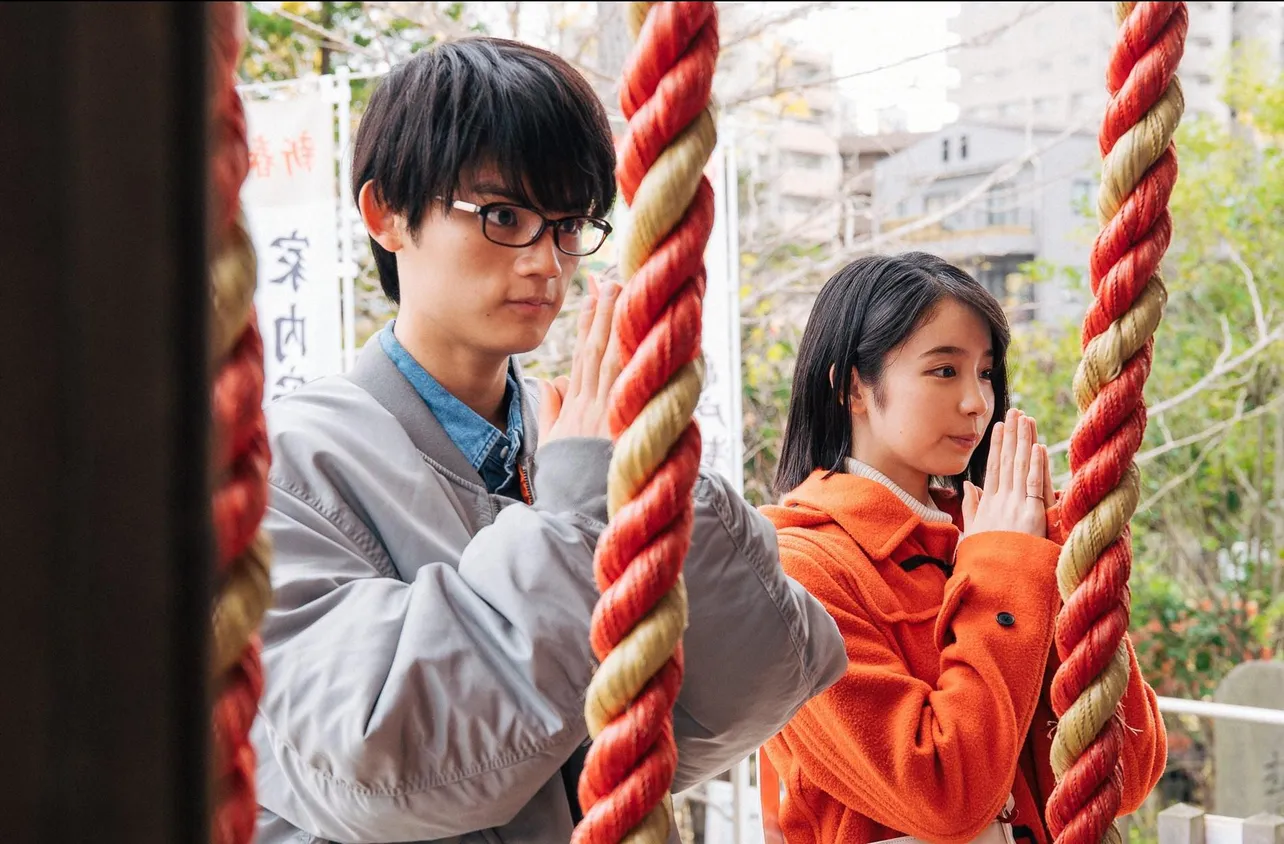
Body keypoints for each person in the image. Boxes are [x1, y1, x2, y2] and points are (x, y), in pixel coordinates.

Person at [250, 36, 846, 844]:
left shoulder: (573, 436)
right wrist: (577, 508)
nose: (546, 262)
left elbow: (769, 678)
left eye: (569, 224)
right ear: (384, 213)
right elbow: (380, 760)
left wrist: (651, 465)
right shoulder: (285, 466)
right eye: (504, 217)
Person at [759, 252, 1167, 844]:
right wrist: (1004, 571)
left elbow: (1124, 777)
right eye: (944, 371)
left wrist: (1060, 565)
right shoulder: (798, 573)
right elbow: (944, 795)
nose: (978, 401)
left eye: (985, 372)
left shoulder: (996, 537)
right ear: (852, 386)